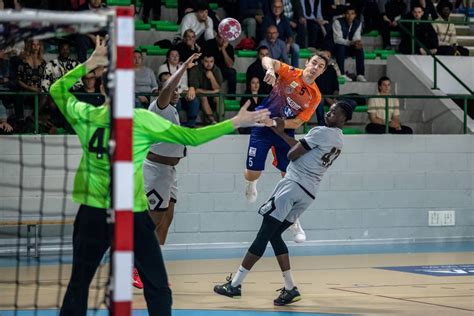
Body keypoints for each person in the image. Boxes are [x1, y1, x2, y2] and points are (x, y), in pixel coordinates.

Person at [52, 37, 270, 316]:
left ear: (104, 92)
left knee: (78, 285)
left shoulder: (85, 114)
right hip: (130, 213)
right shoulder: (141, 119)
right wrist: (235, 122)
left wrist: (91, 63)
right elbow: (191, 137)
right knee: (157, 285)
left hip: (92, 213)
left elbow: (57, 88)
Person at [215, 101, 354, 305]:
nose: (329, 114)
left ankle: (234, 285)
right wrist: (286, 137)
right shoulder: (340, 140)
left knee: (263, 234)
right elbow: (302, 150)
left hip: (293, 185)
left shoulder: (320, 131)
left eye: (335, 113)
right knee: (275, 235)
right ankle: (290, 288)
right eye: (330, 110)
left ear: (344, 119)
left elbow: (291, 154)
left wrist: (280, 133)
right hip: (309, 193)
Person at [244, 54, 327, 243]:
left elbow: (298, 121)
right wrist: (271, 70)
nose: (315, 67)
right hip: (262, 123)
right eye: (314, 62)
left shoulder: (315, 95)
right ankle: (251, 184)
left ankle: (294, 220)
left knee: (290, 176)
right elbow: (267, 59)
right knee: (252, 173)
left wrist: (276, 123)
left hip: (283, 130)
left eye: (320, 66)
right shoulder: (291, 73)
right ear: (307, 63)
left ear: (322, 72)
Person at [157, 48, 200, 127]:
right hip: (168, 95)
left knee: (194, 100)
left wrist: (189, 90)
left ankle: (191, 125)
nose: (175, 57)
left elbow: (183, 85)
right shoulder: (162, 67)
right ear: (168, 58)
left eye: (177, 55)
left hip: (181, 93)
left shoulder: (182, 67)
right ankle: (175, 125)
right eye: (172, 55)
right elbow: (167, 84)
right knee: (176, 101)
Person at [261, 0, 300, 68]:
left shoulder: (285, 19)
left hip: (283, 44)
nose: (277, 9)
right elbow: (263, 35)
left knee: (296, 47)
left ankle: (294, 69)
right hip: (270, 43)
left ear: (282, 8)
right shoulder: (267, 18)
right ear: (272, 7)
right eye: (275, 7)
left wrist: (288, 44)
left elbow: (290, 35)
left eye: (279, 7)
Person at [332, 6, 367, 82]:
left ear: (355, 15)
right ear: (344, 14)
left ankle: (360, 75)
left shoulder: (358, 23)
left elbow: (356, 36)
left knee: (359, 48)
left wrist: (357, 42)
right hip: (336, 47)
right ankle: (341, 73)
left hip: (348, 47)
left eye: (352, 14)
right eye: (348, 14)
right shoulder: (337, 22)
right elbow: (337, 39)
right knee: (340, 46)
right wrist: (350, 42)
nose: (350, 16)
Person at [188, 53, 223, 124]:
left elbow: (218, 89)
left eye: (211, 61)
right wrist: (213, 92)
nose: (209, 64)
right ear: (202, 61)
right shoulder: (195, 69)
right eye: (206, 61)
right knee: (203, 97)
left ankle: (221, 121)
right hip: (199, 97)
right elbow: (196, 90)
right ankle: (213, 121)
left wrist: (212, 78)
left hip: (211, 96)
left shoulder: (216, 69)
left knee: (218, 97)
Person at [314, 50, 339, 126]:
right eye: (325, 56)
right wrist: (327, 98)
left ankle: (335, 125)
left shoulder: (332, 70)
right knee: (320, 100)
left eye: (328, 57)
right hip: (319, 96)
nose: (326, 58)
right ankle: (321, 124)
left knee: (348, 103)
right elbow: (315, 88)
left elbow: (336, 87)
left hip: (330, 97)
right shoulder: (316, 69)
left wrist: (334, 97)